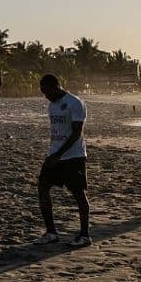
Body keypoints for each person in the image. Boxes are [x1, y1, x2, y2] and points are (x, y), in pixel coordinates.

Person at [35, 74, 92, 247]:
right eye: (43, 92)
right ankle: (51, 232)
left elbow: (76, 133)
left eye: (46, 91)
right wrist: (53, 153)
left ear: (56, 87)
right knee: (42, 187)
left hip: (73, 156)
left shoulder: (75, 103)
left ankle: (84, 235)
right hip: (54, 154)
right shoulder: (52, 106)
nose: (45, 96)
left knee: (78, 194)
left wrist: (59, 155)